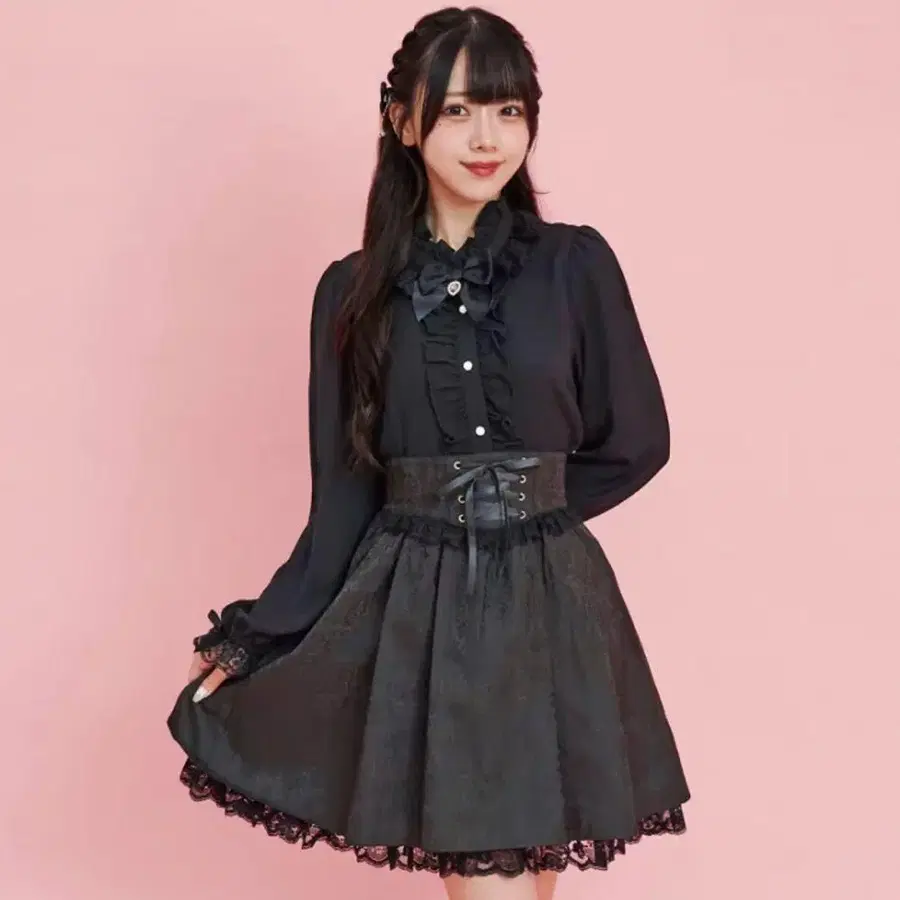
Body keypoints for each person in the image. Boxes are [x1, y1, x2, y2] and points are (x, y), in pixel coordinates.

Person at [167, 6, 691, 898]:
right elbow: (343, 497)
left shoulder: (575, 265)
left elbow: (638, 441)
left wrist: (526, 510)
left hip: (549, 604)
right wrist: (259, 632)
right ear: (403, 122)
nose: (488, 138)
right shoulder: (351, 292)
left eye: (509, 110)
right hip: (422, 610)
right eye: (457, 111)